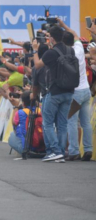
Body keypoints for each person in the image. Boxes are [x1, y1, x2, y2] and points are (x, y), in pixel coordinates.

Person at [33, 25, 74, 162]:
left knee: (48, 123)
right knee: (62, 124)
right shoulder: (70, 50)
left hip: (55, 91)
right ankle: (61, 152)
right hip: (69, 91)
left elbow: (37, 65)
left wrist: (35, 50)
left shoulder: (51, 52)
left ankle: (56, 151)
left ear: (51, 38)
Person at [59, 20, 93, 161]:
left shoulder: (66, 54)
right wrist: (63, 24)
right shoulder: (79, 48)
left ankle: (73, 151)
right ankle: (88, 149)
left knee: (72, 122)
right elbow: (75, 34)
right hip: (86, 90)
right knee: (85, 123)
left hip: (75, 92)